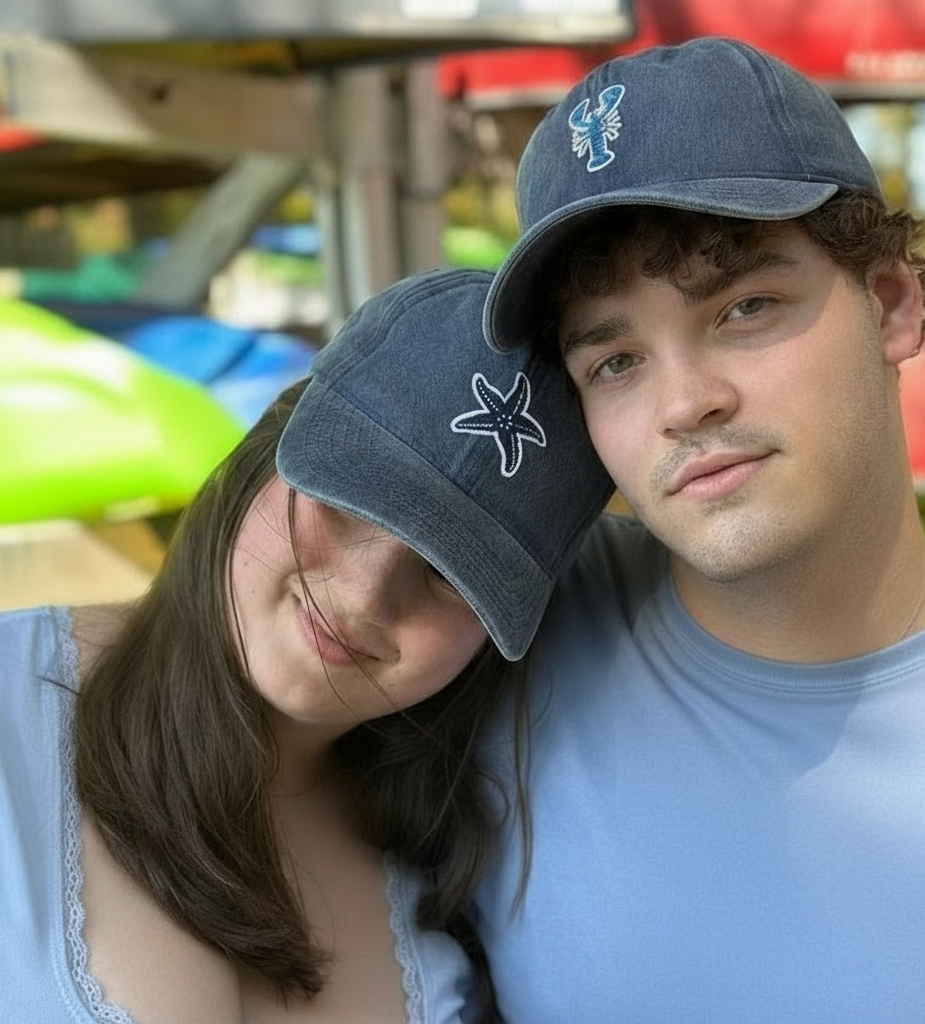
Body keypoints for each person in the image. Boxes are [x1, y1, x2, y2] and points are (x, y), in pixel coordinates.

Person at [472, 37, 925, 1023]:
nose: (685, 402)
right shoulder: (493, 638)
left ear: (891, 303)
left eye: (744, 307)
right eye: (615, 361)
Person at [0, 267, 611, 1024]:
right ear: (265, 455)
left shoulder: (455, 859)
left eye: (450, 574)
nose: (363, 597)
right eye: (349, 501)